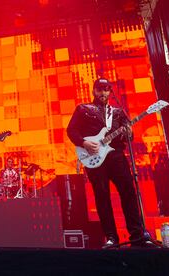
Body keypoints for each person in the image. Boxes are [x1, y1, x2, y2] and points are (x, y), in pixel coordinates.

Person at [67, 78, 152, 248]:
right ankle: (112, 238)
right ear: (93, 91)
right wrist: (83, 143)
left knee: (128, 192)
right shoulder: (83, 109)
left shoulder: (118, 112)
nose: (103, 93)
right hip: (95, 158)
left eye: (106, 90)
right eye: (100, 89)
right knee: (102, 197)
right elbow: (71, 130)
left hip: (116, 156)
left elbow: (129, 138)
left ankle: (138, 236)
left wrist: (129, 133)